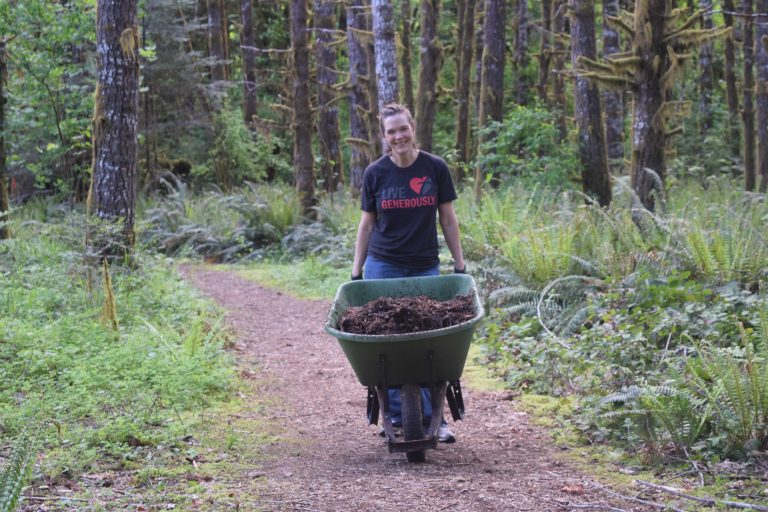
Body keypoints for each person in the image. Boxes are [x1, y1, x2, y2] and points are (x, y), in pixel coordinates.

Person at [351, 103, 466, 443]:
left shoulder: (435, 168)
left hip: (423, 264)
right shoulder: (375, 173)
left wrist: (459, 264)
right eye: (391, 132)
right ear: (384, 137)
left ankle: (435, 418)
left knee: (430, 341)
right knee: (386, 341)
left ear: (413, 128)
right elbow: (366, 224)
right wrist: (357, 271)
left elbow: (447, 219)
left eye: (403, 128)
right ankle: (397, 416)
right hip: (383, 264)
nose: (398, 136)